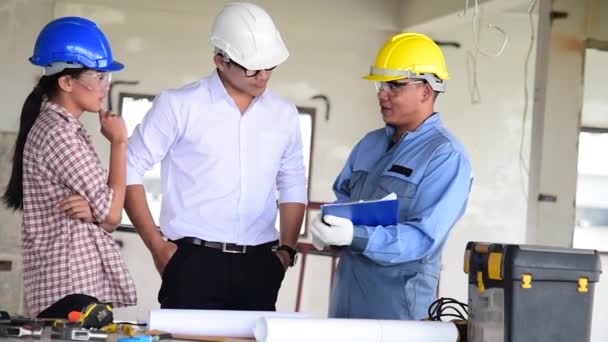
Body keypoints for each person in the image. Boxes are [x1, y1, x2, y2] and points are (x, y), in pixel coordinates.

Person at [124, 2, 307, 311]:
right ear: (220, 61)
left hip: (261, 264)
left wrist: (286, 251)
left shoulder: (284, 114)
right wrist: (157, 246)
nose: (263, 76)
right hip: (192, 263)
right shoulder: (179, 105)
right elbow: (128, 167)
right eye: (252, 67)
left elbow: (292, 180)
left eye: (270, 66)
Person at [311, 32, 472, 320]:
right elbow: (343, 200)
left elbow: (424, 237)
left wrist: (354, 235)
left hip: (397, 312)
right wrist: (328, 228)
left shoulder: (445, 156)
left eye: (394, 85)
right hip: (345, 304)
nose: (382, 93)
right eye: (381, 85)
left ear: (426, 90)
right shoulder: (369, 144)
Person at [1, 16, 136, 316]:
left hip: (67, 290)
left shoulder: (59, 127)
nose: (104, 86)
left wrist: (94, 213)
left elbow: (103, 212)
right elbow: (112, 215)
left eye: (106, 77)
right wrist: (119, 144)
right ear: (66, 81)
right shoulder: (58, 134)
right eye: (98, 76)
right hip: (71, 290)